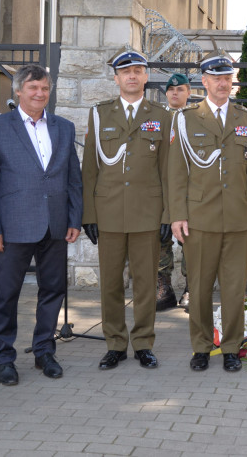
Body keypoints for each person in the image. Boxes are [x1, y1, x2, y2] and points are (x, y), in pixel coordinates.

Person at [0, 64, 83, 386]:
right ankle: (4, 358)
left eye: (45, 89)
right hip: (12, 228)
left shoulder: (64, 128)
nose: (39, 94)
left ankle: (44, 351)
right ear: (19, 91)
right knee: (6, 294)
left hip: (55, 226)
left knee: (53, 290)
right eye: (33, 88)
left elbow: (73, 179)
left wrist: (74, 218)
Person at [168, 50, 247, 372]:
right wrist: (178, 215)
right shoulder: (186, 118)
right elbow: (177, 171)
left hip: (238, 217)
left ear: (233, 83)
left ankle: (231, 347)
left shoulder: (246, 119)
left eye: (227, 78)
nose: (222, 83)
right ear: (204, 81)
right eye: (216, 78)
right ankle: (200, 346)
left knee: (235, 287)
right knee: (198, 287)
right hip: (200, 219)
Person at [81, 50, 171, 371]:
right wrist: (89, 215)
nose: (132, 76)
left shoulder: (162, 116)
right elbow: (90, 170)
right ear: (116, 78)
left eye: (138, 70)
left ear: (146, 76)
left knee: (146, 283)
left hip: (147, 213)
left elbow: (168, 170)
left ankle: (144, 344)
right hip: (108, 213)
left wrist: (168, 215)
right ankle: (115, 344)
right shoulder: (99, 114)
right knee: (111, 284)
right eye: (125, 71)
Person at [157, 72, 192, 312]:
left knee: (190, 237)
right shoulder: (158, 118)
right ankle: (164, 287)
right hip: (159, 186)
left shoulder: (195, 118)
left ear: (188, 92)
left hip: (188, 186)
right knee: (159, 238)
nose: (175, 93)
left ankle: (191, 287)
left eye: (180, 89)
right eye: (171, 89)